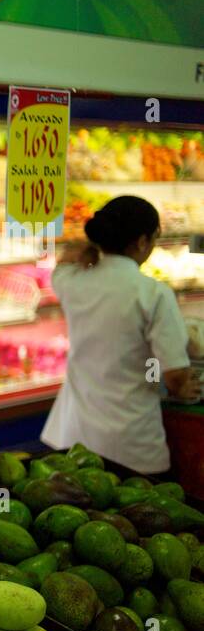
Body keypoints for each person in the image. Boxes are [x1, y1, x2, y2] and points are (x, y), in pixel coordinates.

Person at [41, 195, 199, 473]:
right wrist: (184, 387)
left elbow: (63, 265)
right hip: (131, 445)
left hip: (72, 439)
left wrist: (86, 251)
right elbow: (175, 375)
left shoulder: (72, 282)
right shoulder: (153, 293)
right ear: (141, 241)